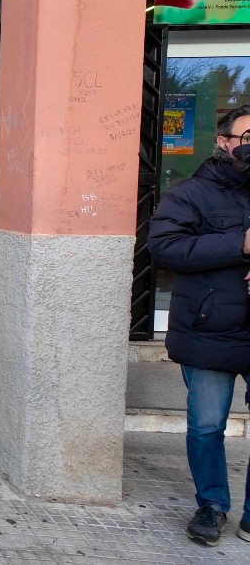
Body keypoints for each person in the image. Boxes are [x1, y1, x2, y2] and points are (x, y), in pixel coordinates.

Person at [148, 104, 250, 548]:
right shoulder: (190, 193)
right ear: (225, 142)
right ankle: (211, 504)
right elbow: (166, 248)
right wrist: (240, 244)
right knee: (207, 425)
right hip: (212, 328)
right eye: (248, 137)